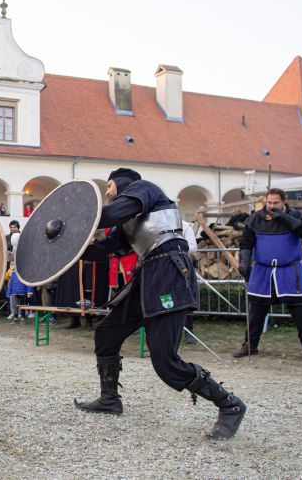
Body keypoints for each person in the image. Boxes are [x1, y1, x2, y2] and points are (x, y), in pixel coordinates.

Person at [72, 168, 246, 440]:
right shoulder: (127, 222)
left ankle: (230, 404)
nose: (106, 193)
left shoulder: (144, 189)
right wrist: (71, 245)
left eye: (108, 187)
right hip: (147, 279)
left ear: (119, 183)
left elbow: (110, 212)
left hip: (169, 275)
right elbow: (102, 249)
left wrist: (79, 216)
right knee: (107, 332)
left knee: (165, 362)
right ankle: (109, 399)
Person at [232, 188, 302, 365]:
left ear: (284, 202)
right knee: (256, 310)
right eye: (269, 203)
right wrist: (244, 262)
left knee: (300, 310)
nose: (271, 206)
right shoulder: (256, 218)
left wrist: (286, 219)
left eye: (275, 203)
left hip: (290, 270)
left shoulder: (295, 216)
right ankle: (250, 345)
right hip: (263, 270)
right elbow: (246, 242)